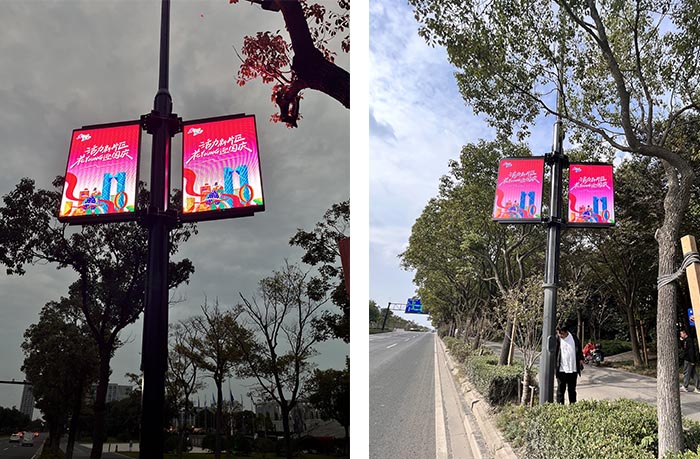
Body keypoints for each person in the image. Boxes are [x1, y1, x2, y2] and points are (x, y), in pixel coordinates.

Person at [555, 325, 584, 404]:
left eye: (562, 333)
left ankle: (573, 406)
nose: (560, 335)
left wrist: (581, 359)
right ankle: (560, 407)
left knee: (572, 390)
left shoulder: (574, 338)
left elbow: (579, 350)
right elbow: (554, 352)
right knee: (561, 390)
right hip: (561, 369)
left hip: (573, 368)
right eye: (558, 333)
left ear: (566, 332)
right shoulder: (557, 339)